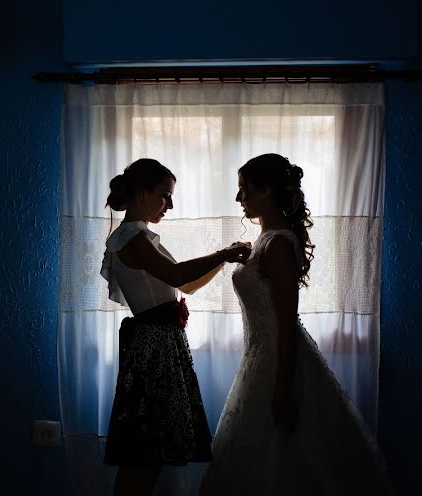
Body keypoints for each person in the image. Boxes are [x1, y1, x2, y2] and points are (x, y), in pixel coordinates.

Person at [199, 153, 393, 495]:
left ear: (266, 192)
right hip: (259, 357)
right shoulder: (263, 241)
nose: (238, 198)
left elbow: (287, 322)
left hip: (278, 360)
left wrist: (284, 387)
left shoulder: (278, 246)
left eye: (244, 189)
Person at [100, 158, 252, 496]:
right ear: (141, 194)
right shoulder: (131, 237)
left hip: (160, 345)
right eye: (164, 195)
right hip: (153, 349)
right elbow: (178, 275)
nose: (169, 204)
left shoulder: (139, 237)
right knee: (144, 451)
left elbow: (188, 286)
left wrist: (223, 258)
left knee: (151, 450)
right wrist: (224, 253)